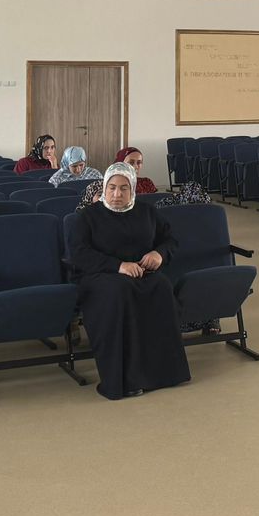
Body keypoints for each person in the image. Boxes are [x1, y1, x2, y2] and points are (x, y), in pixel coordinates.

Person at [67, 164, 191, 401]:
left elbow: (170, 240)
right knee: (120, 291)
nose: (117, 194)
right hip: (100, 275)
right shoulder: (88, 216)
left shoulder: (147, 212)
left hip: (140, 273)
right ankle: (124, 381)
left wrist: (159, 254)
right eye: (112, 187)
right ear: (104, 188)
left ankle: (162, 374)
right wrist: (118, 266)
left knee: (161, 286)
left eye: (124, 188)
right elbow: (79, 253)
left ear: (133, 189)